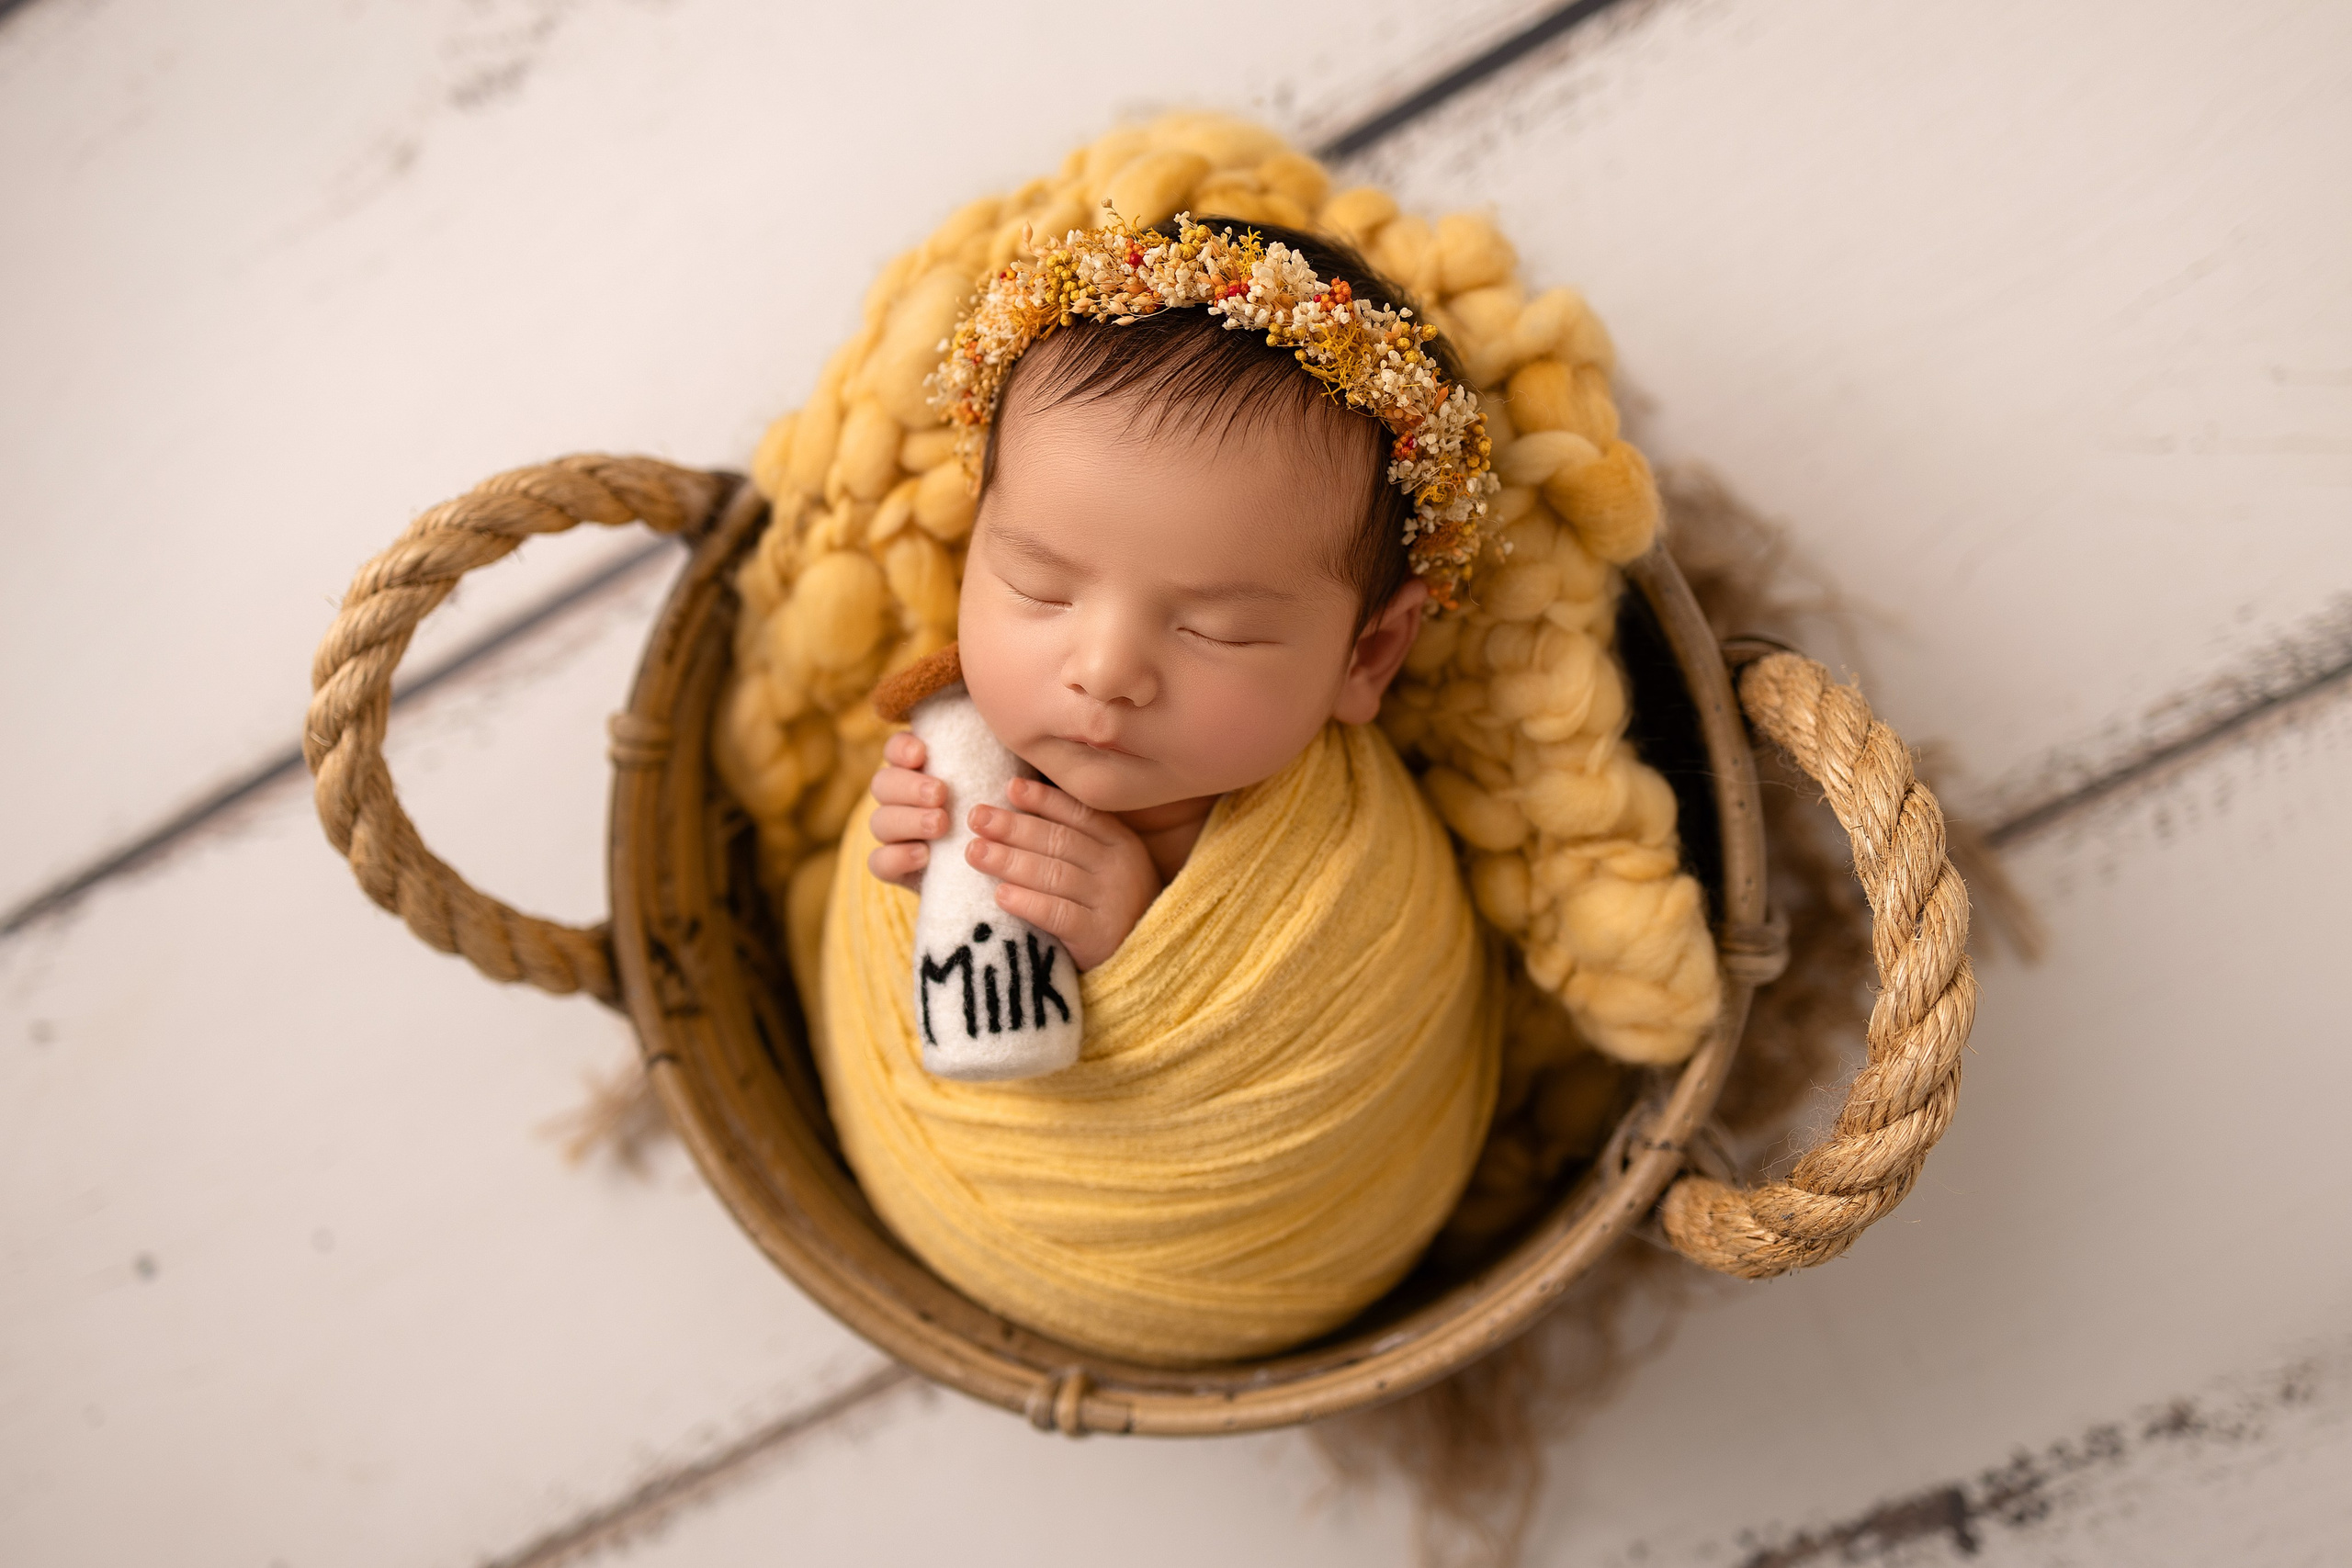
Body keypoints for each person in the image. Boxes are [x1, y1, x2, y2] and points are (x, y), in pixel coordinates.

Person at [864, 220, 1461, 971]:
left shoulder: (1347, 853)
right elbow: (902, 976)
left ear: (1366, 655)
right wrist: (935, 873)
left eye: (1217, 630)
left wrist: (1144, 940)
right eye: (1040, 589)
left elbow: (1353, 1009)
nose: (1106, 670)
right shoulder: (953, 746)